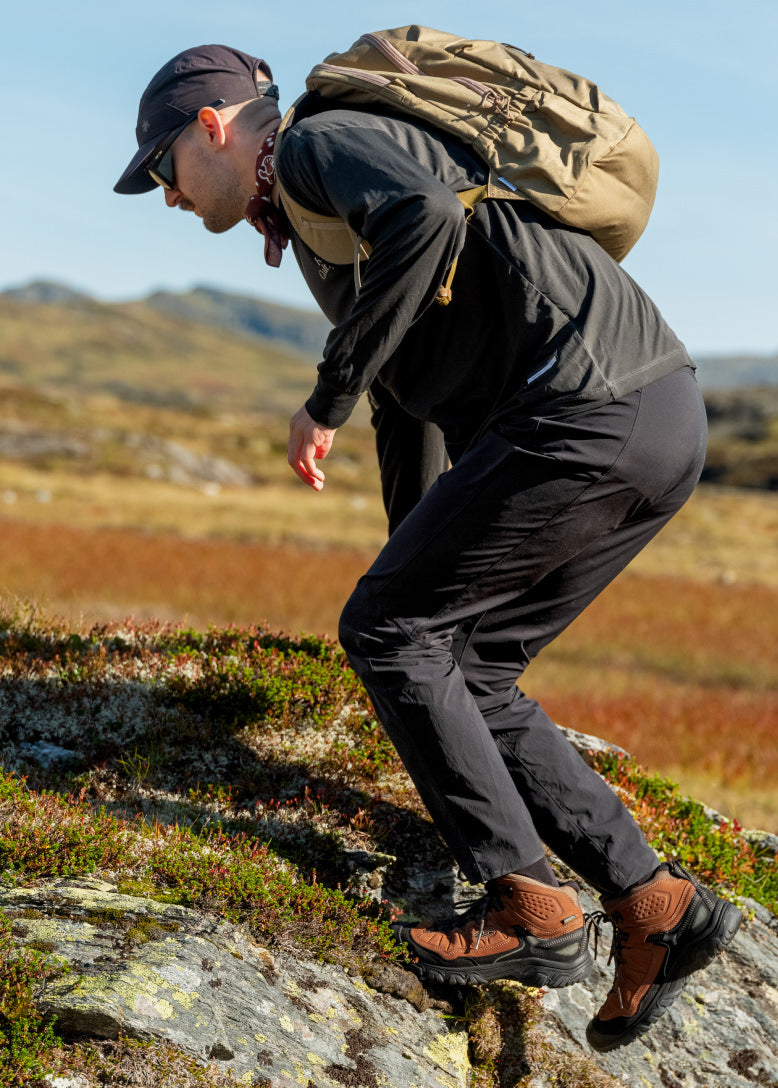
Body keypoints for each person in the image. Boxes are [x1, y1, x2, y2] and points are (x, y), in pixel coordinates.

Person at [114, 42, 742, 1051]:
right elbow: (408, 397)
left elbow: (426, 216)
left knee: (393, 631)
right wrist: (410, 563)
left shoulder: (316, 143)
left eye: (163, 169)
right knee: (464, 661)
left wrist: (327, 396)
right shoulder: (321, 224)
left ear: (215, 127)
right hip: (656, 412)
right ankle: (656, 905)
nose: (169, 196)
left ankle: (530, 909)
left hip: (580, 411)